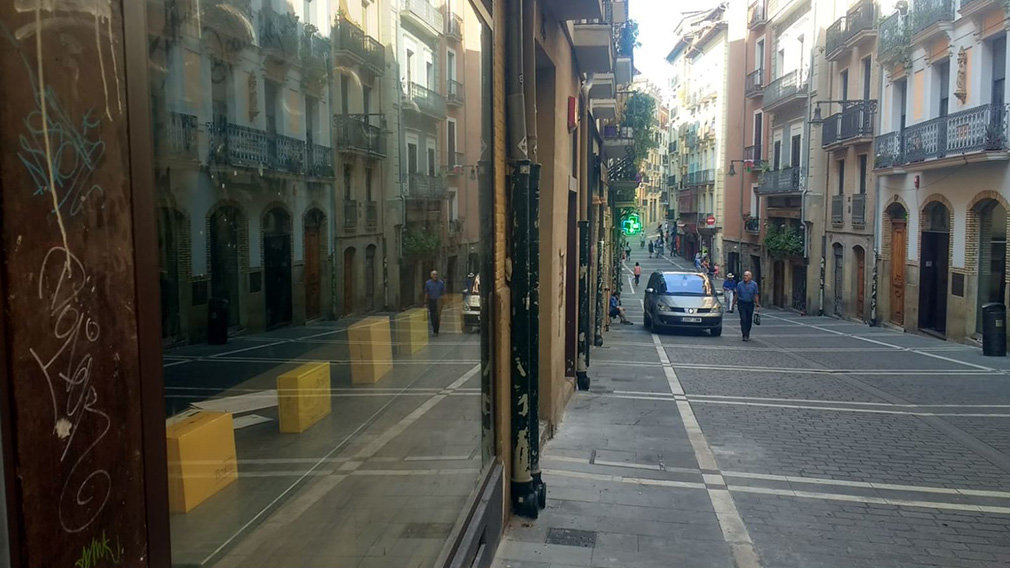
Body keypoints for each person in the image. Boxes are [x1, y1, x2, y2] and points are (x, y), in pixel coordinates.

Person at [733, 270, 761, 341]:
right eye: (744, 275)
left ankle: (747, 333)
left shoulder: (754, 285)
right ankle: (744, 334)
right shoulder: (739, 284)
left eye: (747, 275)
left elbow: (756, 295)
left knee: (749, 319)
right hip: (741, 303)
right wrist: (733, 303)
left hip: (750, 303)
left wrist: (757, 305)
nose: (745, 277)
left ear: (750, 277)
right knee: (743, 319)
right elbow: (737, 294)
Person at [423, 270, 446, 335]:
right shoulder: (428, 283)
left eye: (436, 274)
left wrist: (444, 301)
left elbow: (443, 293)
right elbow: (426, 293)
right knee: (432, 315)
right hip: (431, 300)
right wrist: (425, 302)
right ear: (431, 276)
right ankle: (434, 328)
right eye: (433, 275)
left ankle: (436, 329)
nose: (435, 276)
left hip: (439, 301)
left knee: (438, 315)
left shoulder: (441, 283)